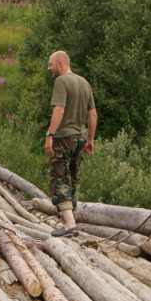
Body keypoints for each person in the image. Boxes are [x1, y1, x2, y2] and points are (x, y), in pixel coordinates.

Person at [44, 50, 96, 235]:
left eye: (50, 64)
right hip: (79, 138)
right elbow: (92, 114)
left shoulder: (61, 81)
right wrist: (89, 139)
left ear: (59, 63)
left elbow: (59, 110)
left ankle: (69, 225)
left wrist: (50, 134)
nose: (49, 68)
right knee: (73, 177)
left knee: (60, 177)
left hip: (63, 137)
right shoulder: (84, 83)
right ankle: (71, 219)